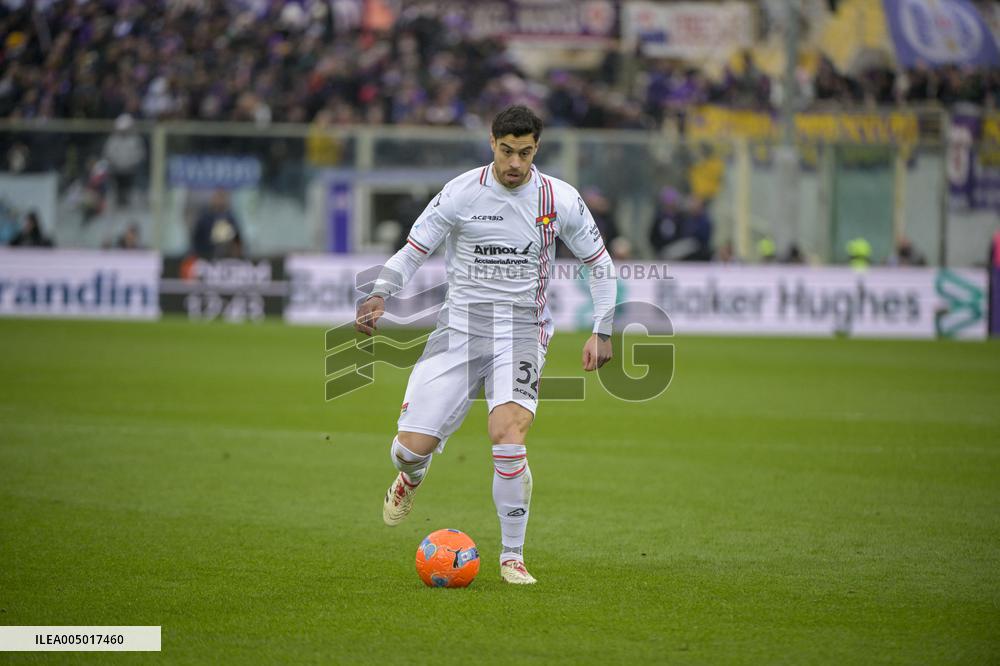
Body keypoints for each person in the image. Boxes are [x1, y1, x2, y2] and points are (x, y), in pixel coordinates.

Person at [354, 106, 616, 585]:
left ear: (537, 148)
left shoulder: (559, 198)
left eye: (526, 152)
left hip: (521, 331)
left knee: (508, 435)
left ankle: (511, 556)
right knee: (409, 449)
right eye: (507, 151)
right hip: (457, 332)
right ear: (492, 144)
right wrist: (379, 292)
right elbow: (414, 249)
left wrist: (603, 328)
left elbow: (599, 264)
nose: (516, 163)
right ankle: (411, 476)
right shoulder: (459, 193)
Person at [191, 190, 243, 259]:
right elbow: (197, 237)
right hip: (206, 254)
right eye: (218, 198)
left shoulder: (230, 217)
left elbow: (237, 239)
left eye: (222, 198)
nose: (220, 201)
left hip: (226, 256)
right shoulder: (205, 217)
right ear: (213, 199)